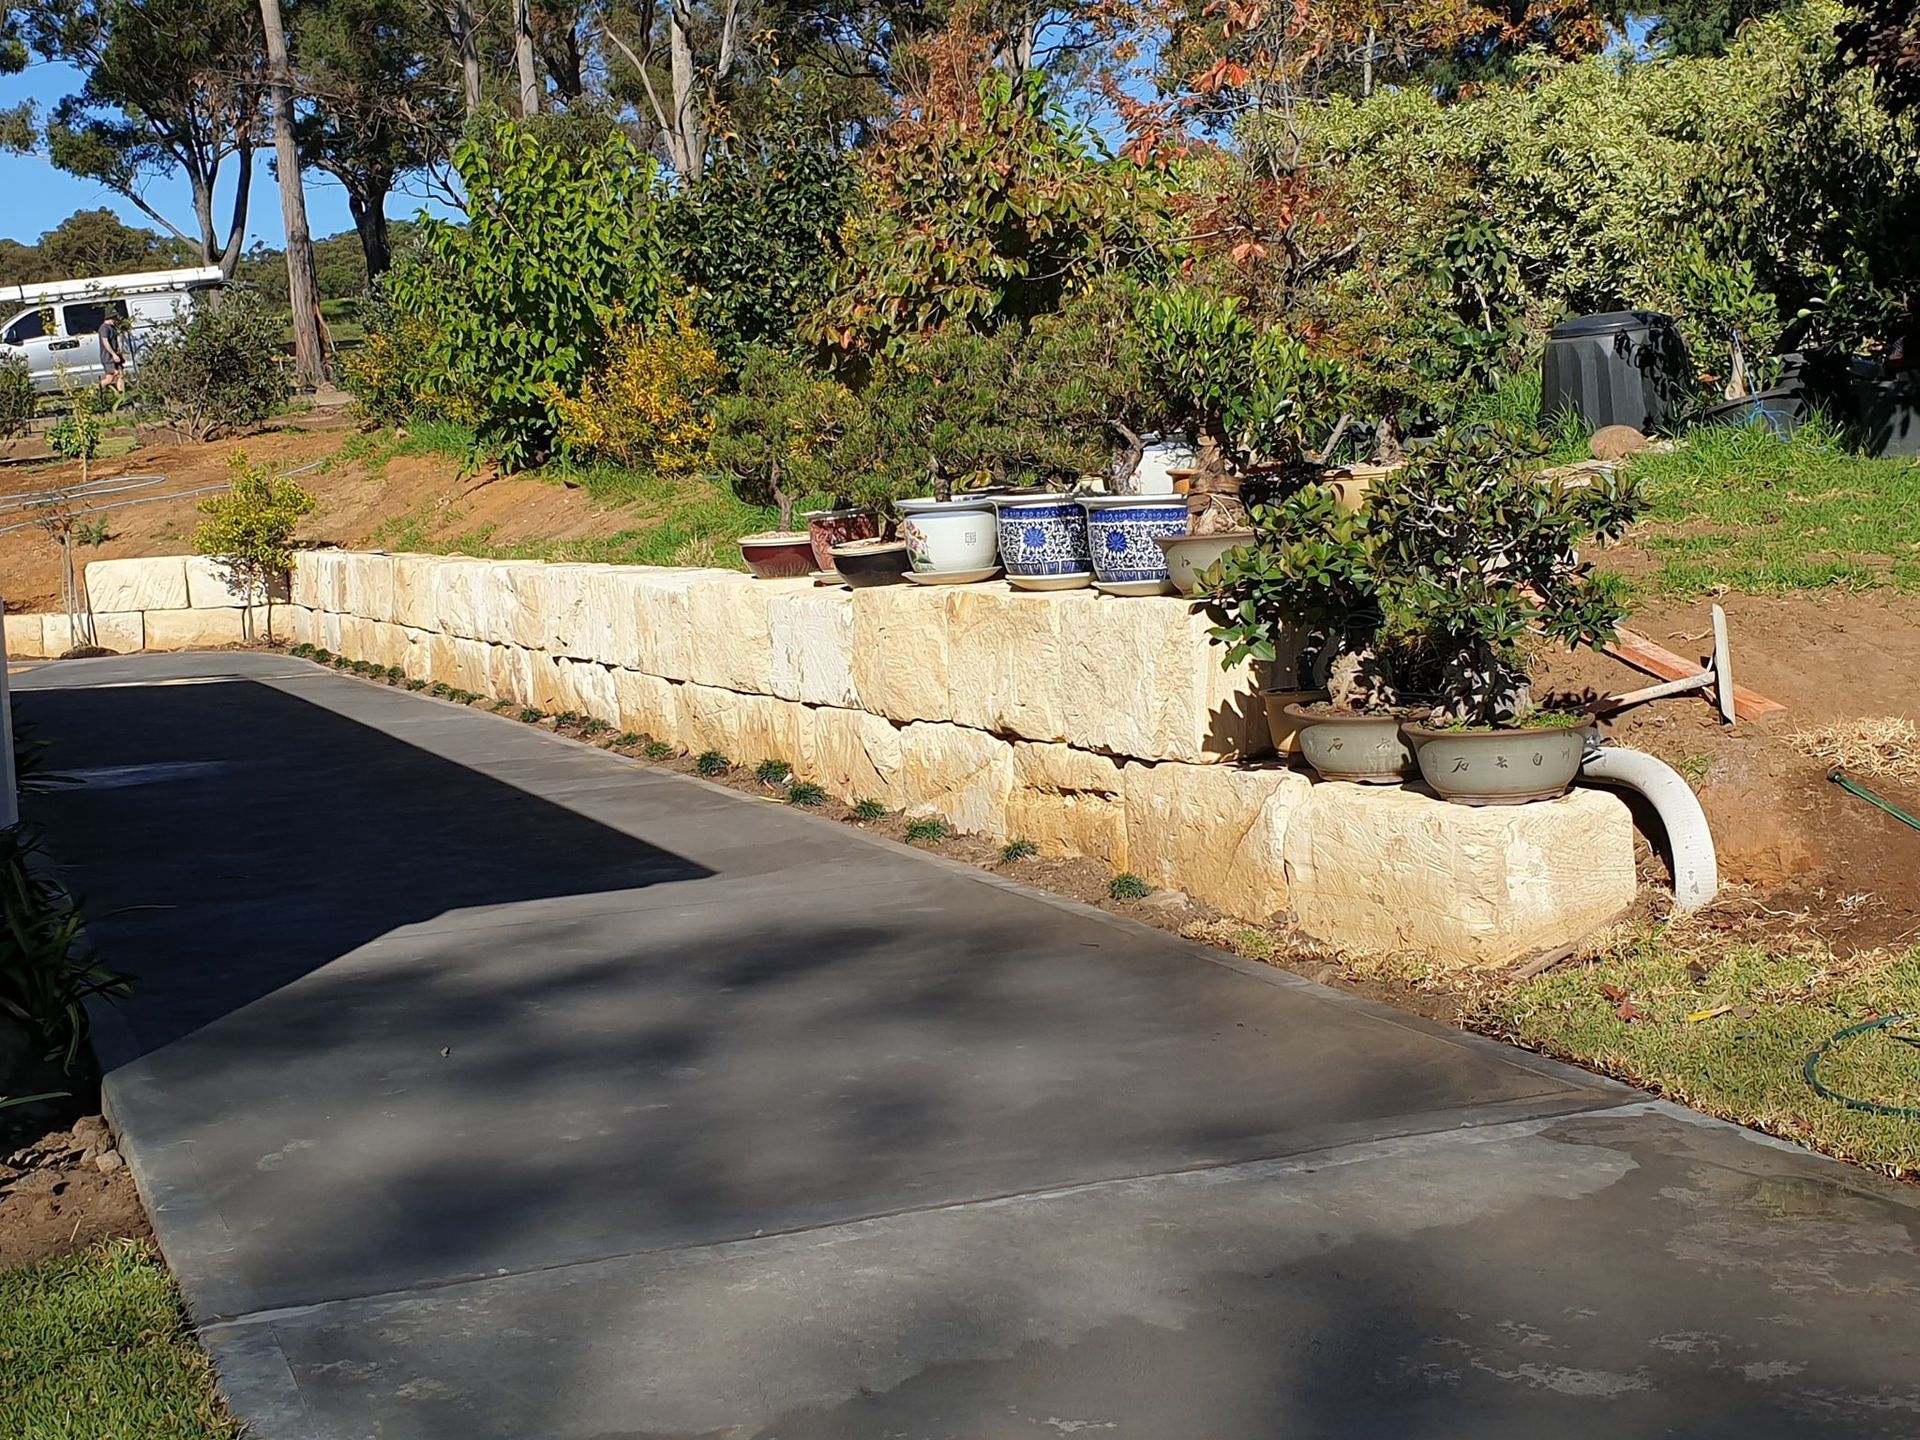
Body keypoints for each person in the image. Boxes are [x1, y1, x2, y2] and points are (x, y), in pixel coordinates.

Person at [97, 311, 126, 394]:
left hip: (115, 355)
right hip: (108, 357)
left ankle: (121, 393)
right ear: (108, 318)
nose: (115, 320)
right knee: (110, 378)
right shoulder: (104, 328)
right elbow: (105, 342)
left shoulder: (112, 328)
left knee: (121, 374)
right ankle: (95, 390)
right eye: (114, 318)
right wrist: (113, 354)